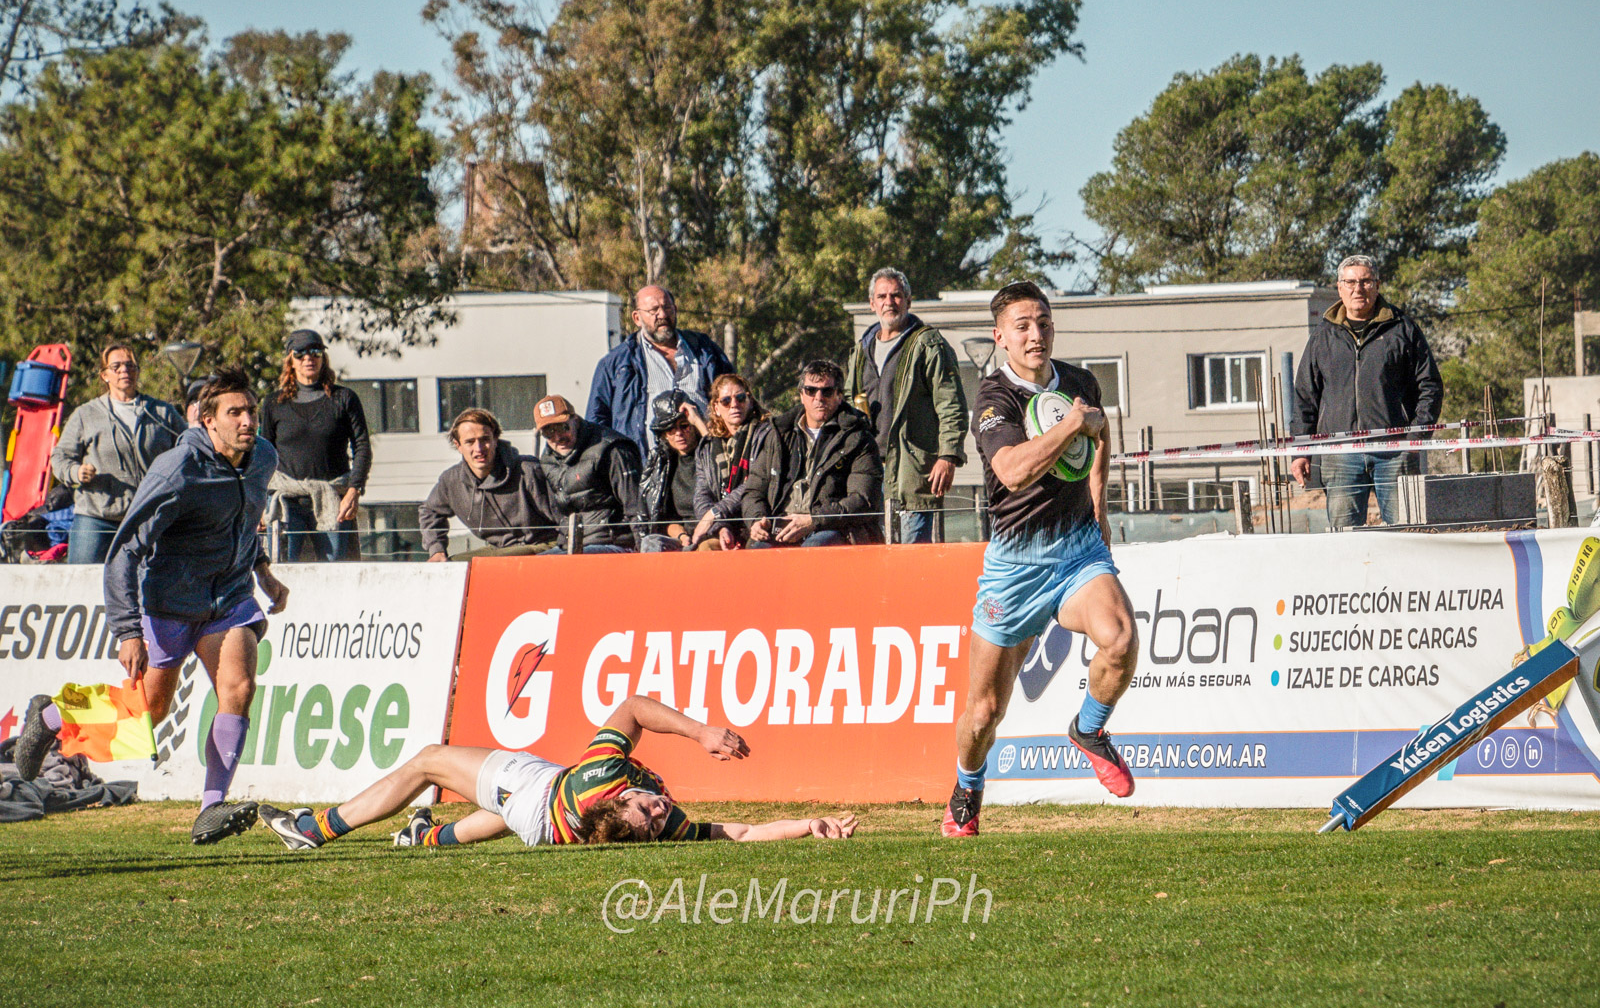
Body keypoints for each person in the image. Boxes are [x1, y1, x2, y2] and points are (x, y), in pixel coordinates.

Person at [14, 368, 290, 845]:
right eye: (235, 412)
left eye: (251, 411)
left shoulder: (262, 456)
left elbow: (244, 519)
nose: (248, 421)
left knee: (238, 687)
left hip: (230, 601)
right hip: (169, 603)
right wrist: (127, 630)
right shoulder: (177, 468)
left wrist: (263, 570)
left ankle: (210, 808)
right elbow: (124, 552)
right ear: (208, 420)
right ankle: (51, 718)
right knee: (146, 714)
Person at [944, 281, 1139, 838]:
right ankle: (967, 784)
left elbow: (1102, 436)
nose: (1036, 334)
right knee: (983, 714)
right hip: (1016, 564)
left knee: (1120, 638)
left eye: (1044, 322)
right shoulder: (993, 399)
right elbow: (1010, 470)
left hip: (1076, 551)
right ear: (1001, 337)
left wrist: (1100, 507)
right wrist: (1072, 425)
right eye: (1023, 325)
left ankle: (1089, 730)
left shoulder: (1079, 383)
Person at [256, 695, 858, 849]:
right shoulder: (653, 827)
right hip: (542, 824)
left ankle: (319, 828)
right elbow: (742, 833)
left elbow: (632, 707)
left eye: (646, 810)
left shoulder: (599, 781)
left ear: (615, 806)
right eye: (657, 815)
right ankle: (427, 835)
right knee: (502, 812)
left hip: (538, 793)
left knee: (429, 761)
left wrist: (701, 732)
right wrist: (809, 823)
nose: (660, 808)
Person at [1290, 255, 1444, 528]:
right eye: (1350, 282)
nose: (1357, 289)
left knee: (1406, 533)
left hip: (1395, 452)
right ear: (1339, 287)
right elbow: (1305, 397)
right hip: (1340, 454)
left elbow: (1429, 386)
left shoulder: (1403, 330)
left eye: (1365, 281)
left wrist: (1415, 437)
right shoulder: (1323, 336)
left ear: (1377, 285)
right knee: (1345, 539)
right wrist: (1301, 451)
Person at [843, 267, 968, 543]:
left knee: (913, 561)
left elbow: (952, 406)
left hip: (913, 473)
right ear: (872, 304)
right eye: (882, 296)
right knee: (874, 561)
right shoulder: (860, 351)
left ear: (908, 301)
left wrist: (948, 456)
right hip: (868, 474)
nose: (890, 302)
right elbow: (847, 406)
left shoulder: (928, 344)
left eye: (896, 295)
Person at [49, 343, 184, 564]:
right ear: (104, 375)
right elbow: (60, 457)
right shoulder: (86, 414)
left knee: (155, 584)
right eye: (117, 366)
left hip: (149, 516)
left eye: (130, 366)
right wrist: (75, 472)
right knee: (82, 583)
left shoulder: (161, 413)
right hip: (97, 518)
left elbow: (187, 450)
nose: (124, 371)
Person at [258, 329, 372, 561]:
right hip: (285, 500)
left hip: (332, 497)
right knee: (282, 570)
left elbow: (362, 446)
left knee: (334, 572)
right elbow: (263, 455)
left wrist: (354, 490)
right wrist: (259, 502)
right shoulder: (273, 403)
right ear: (290, 359)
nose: (308, 358)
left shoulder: (344, 399)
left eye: (315, 352)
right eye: (300, 353)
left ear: (323, 358)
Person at [743, 360, 882, 548]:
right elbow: (753, 491)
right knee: (758, 550)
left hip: (833, 529)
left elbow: (862, 500)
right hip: (781, 528)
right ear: (801, 395)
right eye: (810, 390)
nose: (818, 398)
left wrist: (814, 520)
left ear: (839, 396)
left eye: (827, 391)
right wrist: (757, 520)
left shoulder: (858, 438)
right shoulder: (779, 435)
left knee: (815, 547)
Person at [586, 284, 733, 454]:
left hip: (706, 460)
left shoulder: (703, 349)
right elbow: (596, 423)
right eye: (654, 310)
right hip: (646, 466)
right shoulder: (615, 364)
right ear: (637, 318)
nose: (662, 315)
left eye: (667, 307)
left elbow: (732, 395)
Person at [420, 408, 557, 560]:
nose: (478, 449)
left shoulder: (528, 470)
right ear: (458, 445)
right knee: (451, 567)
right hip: (499, 550)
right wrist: (436, 549)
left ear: (495, 439)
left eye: (484, 439)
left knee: (464, 564)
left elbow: (563, 514)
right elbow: (430, 511)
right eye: (470, 442)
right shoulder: (451, 480)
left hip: (543, 547)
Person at [534, 394, 645, 554]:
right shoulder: (548, 459)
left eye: (562, 427)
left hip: (613, 542)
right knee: (535, 567)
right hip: (569, 545)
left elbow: (636, 507)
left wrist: (645, 556)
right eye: (548, 432)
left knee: (574, 565)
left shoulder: (612, 449)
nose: (557, 437)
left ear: (575, 420)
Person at [689, 373, 768, 551]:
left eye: (740, 398)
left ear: (749, 401)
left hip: (756, 522)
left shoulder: (765, 435)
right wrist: (720, 527)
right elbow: (702, 493)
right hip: (724, 526)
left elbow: (754, 483)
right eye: (726, 401)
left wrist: (715, 514)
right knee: (706, 550)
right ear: (716, 407)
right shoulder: (707, 446)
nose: (734, 405)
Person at [638, 390, 704, 552]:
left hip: (712, 533)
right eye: (670, 430)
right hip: (681, 538)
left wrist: (699, 422)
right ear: (663, 435)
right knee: (651, 543)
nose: (679, 434)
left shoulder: (709, 455)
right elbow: (664, 519)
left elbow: (717, 454)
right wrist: (681, 536)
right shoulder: (662, 464)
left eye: (684, 426)